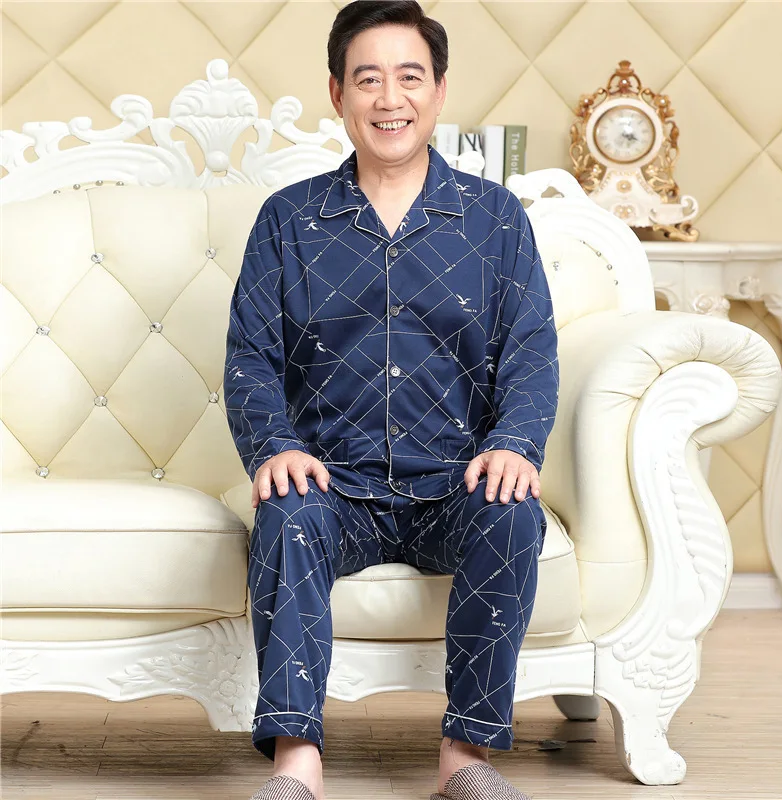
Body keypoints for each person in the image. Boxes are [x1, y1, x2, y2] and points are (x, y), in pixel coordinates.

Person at [224, 2, 559, 798]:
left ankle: (465, 758)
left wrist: (514, 444)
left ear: (439, 91)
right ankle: (297, 764)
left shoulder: (494, 219)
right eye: (367, 79)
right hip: (333, 485)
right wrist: (275, 447)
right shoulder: (288, 220)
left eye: (409, 77)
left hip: (455, 482)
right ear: (337, 93)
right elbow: (250, 358)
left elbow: (531, 352)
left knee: (513, 514)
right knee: (285, 513)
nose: (389, 98)